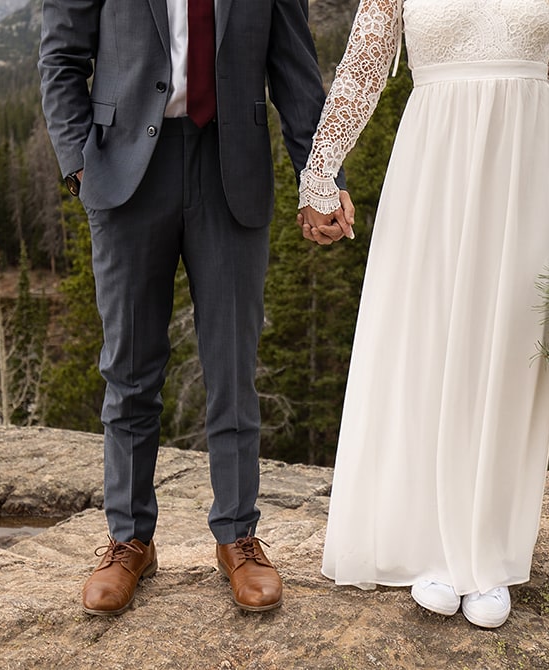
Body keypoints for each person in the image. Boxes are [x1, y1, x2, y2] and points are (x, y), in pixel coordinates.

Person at [298, 0, 549, 628]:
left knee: (507, 350)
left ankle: (489, 554)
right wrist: (319, 174)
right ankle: (432, 545)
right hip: (433, 172)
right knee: (428, 346)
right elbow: (362, 66)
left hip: (526, 175)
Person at [38, 0, 352, 616]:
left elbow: (293, 67)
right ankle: (129, 539)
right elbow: (61, 54)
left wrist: (318, 179)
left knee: (233, 369)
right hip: (126, 173)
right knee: (128, 368)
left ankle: (238, 537)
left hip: (230, 168)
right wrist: (78, 166)